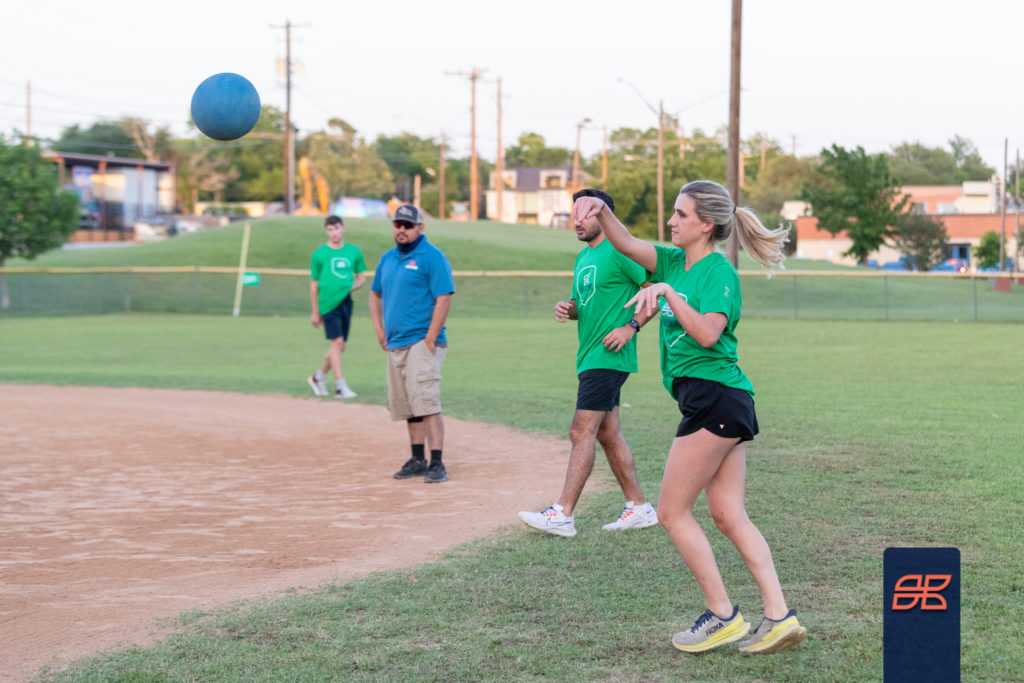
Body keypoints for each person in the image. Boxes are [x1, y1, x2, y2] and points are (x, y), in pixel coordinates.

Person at [574, 180, 807, 654]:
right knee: (727, 515)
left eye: (681, 214)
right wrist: (601, 211)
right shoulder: (672, 261)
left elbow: (706, 334)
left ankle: (723, 615)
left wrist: (668, 294)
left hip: (714, 399)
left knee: (671, 511)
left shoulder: (719, 272)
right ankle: (779, 617)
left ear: (707, 225)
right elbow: (625, 242)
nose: (671, 221)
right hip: (715, 401)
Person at [518, 189, 658, 538]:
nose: (577, 221)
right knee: (608, 433)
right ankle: (639, 507)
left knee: (580, 431)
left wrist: (631, 327)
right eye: (575, 214)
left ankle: (562, 513)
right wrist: (568, 309)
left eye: (585, 213)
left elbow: (655, 291)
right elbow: (581, 305)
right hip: (590, 356)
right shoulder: (583, 257)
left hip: (608, 356)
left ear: (604, 216)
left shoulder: (621, 251)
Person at [369, 204, 455, 484]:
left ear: (420, 227)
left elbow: (444, 297)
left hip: (422, 342)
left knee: (427, 402)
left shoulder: (432, 257)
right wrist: (379, 330)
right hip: (396, 343)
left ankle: (437, 462)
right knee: (407, 404)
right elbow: (375, 294)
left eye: (408, 225)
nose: (402, 230)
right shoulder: (387, 259)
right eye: (398, 224)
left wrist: (430, 338)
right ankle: (418, 458)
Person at [308, 215, 366, 399]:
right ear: (327, 231)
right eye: (330, 229)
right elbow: (314, 284)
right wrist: (315, 311)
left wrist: (350, 288)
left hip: (346, 302)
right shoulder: (319, 254)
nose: (334, 232)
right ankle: (341, 387)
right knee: (337, 342)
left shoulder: (354, 251)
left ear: (343, 228)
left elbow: (361, 278)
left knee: (340, 346)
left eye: (337, 228)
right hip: (327, 303)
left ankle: (318, 378)